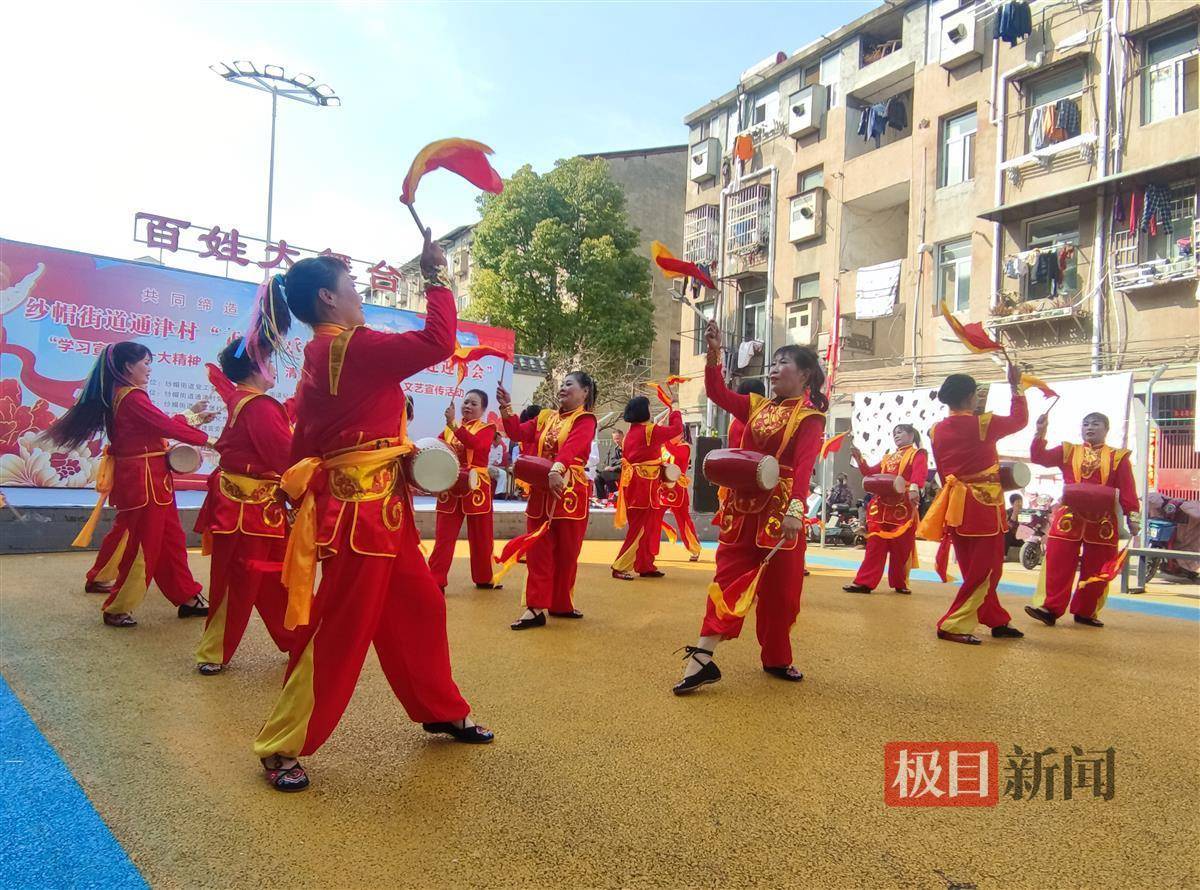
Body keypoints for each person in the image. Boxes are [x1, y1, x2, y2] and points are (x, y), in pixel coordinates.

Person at [252, 237, 493, 793]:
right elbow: (437, 341)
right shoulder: (351, 347)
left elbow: (309, 435)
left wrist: (297, 491)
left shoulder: (322, 353)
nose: (359, 296)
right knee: (339, 628)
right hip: (362, 518)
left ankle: (440, 708)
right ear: (327, 299)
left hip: (376, 509)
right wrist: (437, 278)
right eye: (351, 289)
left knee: (422, 607)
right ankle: (281, 744)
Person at [674, 321, 826, 694]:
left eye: (783, 362)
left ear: (805, 374)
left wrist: (796, 510)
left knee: (782, 597)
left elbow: (805, 466)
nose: (774, 369)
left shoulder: (809, 418)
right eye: (772, 363)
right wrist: (714, 352)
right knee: (726, 582)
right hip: (743, 511)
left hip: (780, 515)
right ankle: (702, 659)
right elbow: (716, 392)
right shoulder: (755, 407)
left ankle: (777, 657)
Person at [46, 341, 214, 628]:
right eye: (145, 363)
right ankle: (117, 606)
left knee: (167, 540)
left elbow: (156, 424)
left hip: (149, 480)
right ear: (128, 366)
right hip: (146, 481)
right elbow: (164, 426)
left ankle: (187, 596)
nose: (149, 369)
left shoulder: (122, 395)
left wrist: (193, 416)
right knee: (143, 546)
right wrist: (210, 440)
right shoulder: (132, 396)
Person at [193, 339, 294, 675]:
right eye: (268, 360)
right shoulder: (260, 406)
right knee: (238, 582)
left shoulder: (250, 401)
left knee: (274, 579)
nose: (274, 367)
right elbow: (284, 456)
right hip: (246, 510)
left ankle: (293, 639)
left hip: (260, 507)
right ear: (255, 367)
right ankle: (213, 650)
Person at [917, 367, 1027, 645]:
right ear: (972, 396)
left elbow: (943, 471)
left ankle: (995, 617)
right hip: (983, 504)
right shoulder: (982, 424)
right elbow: (1019, 420)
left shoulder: (936, 429)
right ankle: (952, 623)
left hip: (956, 502)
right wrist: (1017, 388)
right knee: (987, 569)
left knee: (973, 565)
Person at [498, 372, 597, 628]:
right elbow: (517, 433)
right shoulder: (545, 418)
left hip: (569, 491)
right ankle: (535, 608)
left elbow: (572, 447)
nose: (563, 388)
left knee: (567, 551)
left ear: (585, 392)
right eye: (562, 384)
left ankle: (561, 604)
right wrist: (506, 407)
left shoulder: (585, 419)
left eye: (569, 385)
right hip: (543, 488)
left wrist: (557, 468)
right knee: (538, 551)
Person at [1025, 412, 1141, 628]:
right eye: (1085, 424)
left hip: (1103, 522)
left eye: (1095, 424)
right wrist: (1040, 432)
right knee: (1058, 563)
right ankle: (1049, 608)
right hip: (1069, 518)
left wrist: (1133, 516)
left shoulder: (1118, 457)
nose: (1089, 427)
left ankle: (1086, 611)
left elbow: (1128, 490)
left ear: (1106, 429)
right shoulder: (1069, 451)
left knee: (1098, 567)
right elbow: (1039, 458)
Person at [843, 424, 928, 595]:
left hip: (903, 506)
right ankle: (864, 582)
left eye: (900, 432)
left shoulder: (917, 453)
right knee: (875, 545)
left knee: (901, 547)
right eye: (894, 433)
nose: (896, 435)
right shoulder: (888, 457)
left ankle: (900, 582)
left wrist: (913, 489)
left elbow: (919, 473)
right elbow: (870, 473)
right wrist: (859, 458)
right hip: (881, 507)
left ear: (911, 434)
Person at [428, 390, 499, 591]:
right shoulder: (449, 430)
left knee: (482, 537)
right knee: (444, 537)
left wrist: (453, 425)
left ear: (483, 409)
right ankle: (435, 579)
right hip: (451, 486)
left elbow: (475, 444)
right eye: (466, 402)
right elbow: (437, 446)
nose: (468, 406)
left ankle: (484, 577)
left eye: (473, 404)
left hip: (476, 487)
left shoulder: (487, 428)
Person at [611, 395, 683, 580]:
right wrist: (674, 407)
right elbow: (676, 429)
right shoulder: (649, 431)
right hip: (642, 486)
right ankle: (620, 566)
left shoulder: (631, 434)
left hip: (640, 484)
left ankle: (645, 564)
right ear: (644, 411)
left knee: (647, 527)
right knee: (640, 527)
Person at [660, 425, 702, 562]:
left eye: (673, 433)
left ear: (681, 434)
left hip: (678, 489)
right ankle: (650, 549)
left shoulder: (684, 447)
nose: (670, 435)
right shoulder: (664, 447)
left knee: (683, 520)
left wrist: (664, 438)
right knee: (653, 517)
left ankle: (694, 548)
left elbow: (673, 451)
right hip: (663, 489)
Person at [595, 428, 623, 500]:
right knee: (598, 477)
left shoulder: (628, 447)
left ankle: (616, 493)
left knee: (605, 474)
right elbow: (612, 461)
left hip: (624, 471)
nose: (616, 441)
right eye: (614, 439)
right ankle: (602, 499)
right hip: (615, 471)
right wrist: (621, 460)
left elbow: (628, 462)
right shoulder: (615, 449)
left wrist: (614, 467)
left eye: (618, 438)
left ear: (623, 436)